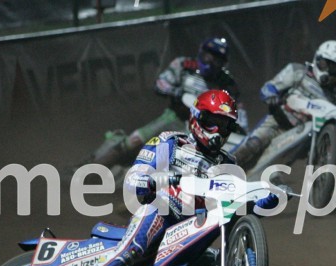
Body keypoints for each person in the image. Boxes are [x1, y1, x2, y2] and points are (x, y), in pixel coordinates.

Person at [49, 90, 275, 266]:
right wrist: (160, 179)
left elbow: (235, 207)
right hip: (161, 211)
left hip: (192, 232)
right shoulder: (171, 142)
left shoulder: (228, 164)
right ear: (197, 118)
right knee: (132, 249)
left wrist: (260, 202)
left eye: (225, 126)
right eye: (213, 122)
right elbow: (134, 178)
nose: (218, 132)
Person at [90, 37, 245, 169]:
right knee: (134, 140)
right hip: (175, 118)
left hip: (206, 129)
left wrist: (242, 127)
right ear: (201, 53)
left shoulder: (227, 83)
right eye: (208, 56)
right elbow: (161, 83)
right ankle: (95, 168)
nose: (210, 62)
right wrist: (177, 92)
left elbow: (237, 108)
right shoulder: (184, 65)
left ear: (223, 63)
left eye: (216, 60)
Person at [232, 40, 336, 168]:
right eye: (326, 65)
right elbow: (269, 87)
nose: (329, 71)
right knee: (253, 144)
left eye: (335, 69)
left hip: (306, 138)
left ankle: (320, 182)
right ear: (318, 59)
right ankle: (219, 168)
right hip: (278, 123)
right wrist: (271, 96)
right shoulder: (298, 71)